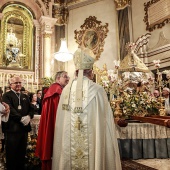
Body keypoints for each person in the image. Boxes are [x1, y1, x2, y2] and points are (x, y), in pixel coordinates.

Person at [52, 48, 121, 170]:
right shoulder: (97, 90)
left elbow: (61, 122)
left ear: (76, 71)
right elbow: (106, 122)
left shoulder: (66, 90)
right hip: (92, 142)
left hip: (69, 142)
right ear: (91, 72)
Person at [35, 71, 69, 170]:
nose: (68, 79)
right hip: (56, 126)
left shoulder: (55, 90)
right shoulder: (57, 91)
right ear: (58, 78)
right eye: (65, 77)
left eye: (68, 77)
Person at [2, 75, 35, 170]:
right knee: (12, 153)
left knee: (21, 153)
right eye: (16, 83)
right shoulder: (6, 95)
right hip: (12, 129)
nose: (18, 84)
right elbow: (9, 109)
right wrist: (20, 119)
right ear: (10, 84)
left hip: (23, 129)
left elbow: (31, 108)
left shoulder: (25, 96)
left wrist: (29, 116)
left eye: (20, 82)